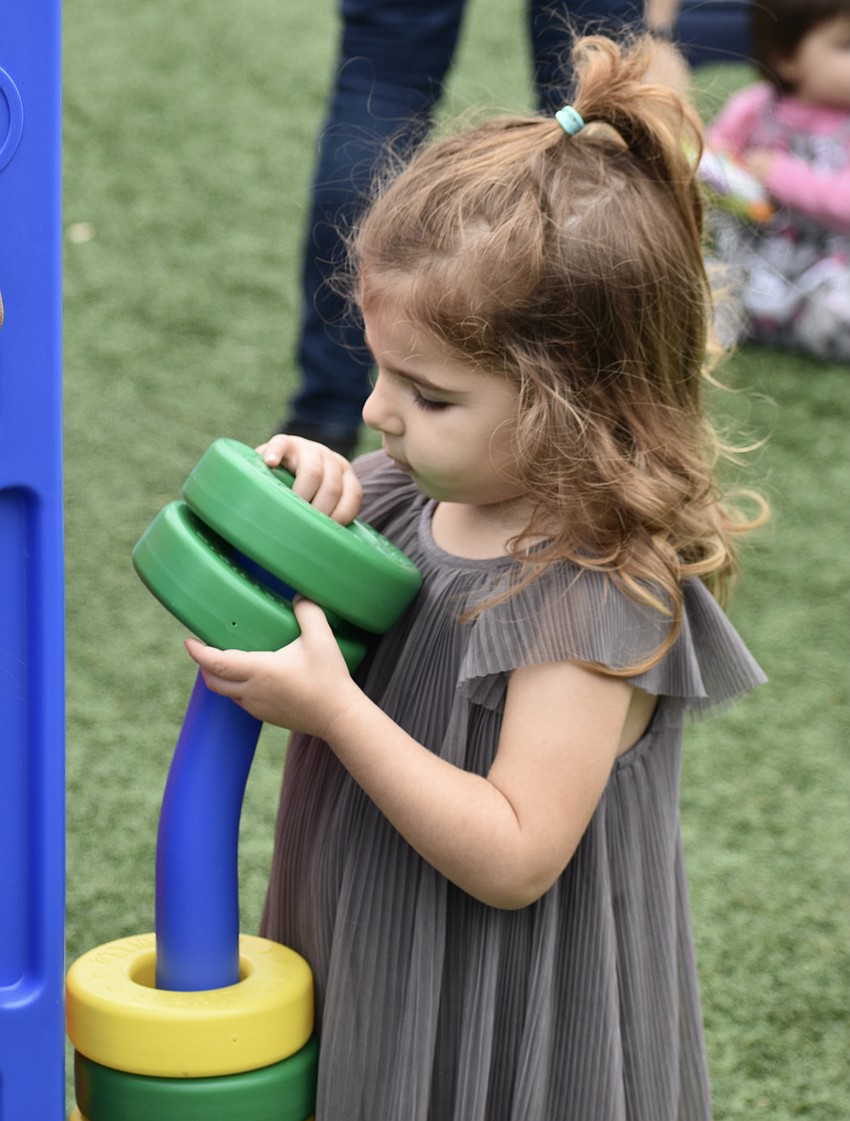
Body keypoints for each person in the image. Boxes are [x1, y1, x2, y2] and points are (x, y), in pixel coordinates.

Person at [188, 32, 767, 1121]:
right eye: (377, 368)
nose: (374, 412)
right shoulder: (413, 492)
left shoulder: (594, 590)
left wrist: (334, 711)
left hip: (512, 1018)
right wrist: (307, 485)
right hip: (383, 944)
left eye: (429, 393)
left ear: (578, 407)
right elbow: (332, 515)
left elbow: (513, 854)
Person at [282, 0, 703, 457]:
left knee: (381, 85)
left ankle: (323, 416)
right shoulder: (383, 490)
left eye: (430, 396)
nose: (374, 414)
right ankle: (606, 441)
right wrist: (657, 25)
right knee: (591, 128)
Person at [705, 0, 850, 362]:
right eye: (846, 46)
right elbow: (710, 159)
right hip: (749, 265)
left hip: (827, 275)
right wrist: (726, 171)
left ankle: (814, 327)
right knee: (697, 285)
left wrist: (781, 175)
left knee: (840, 306)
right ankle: (719, 324)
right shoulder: (753, 107)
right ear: (786, 56)